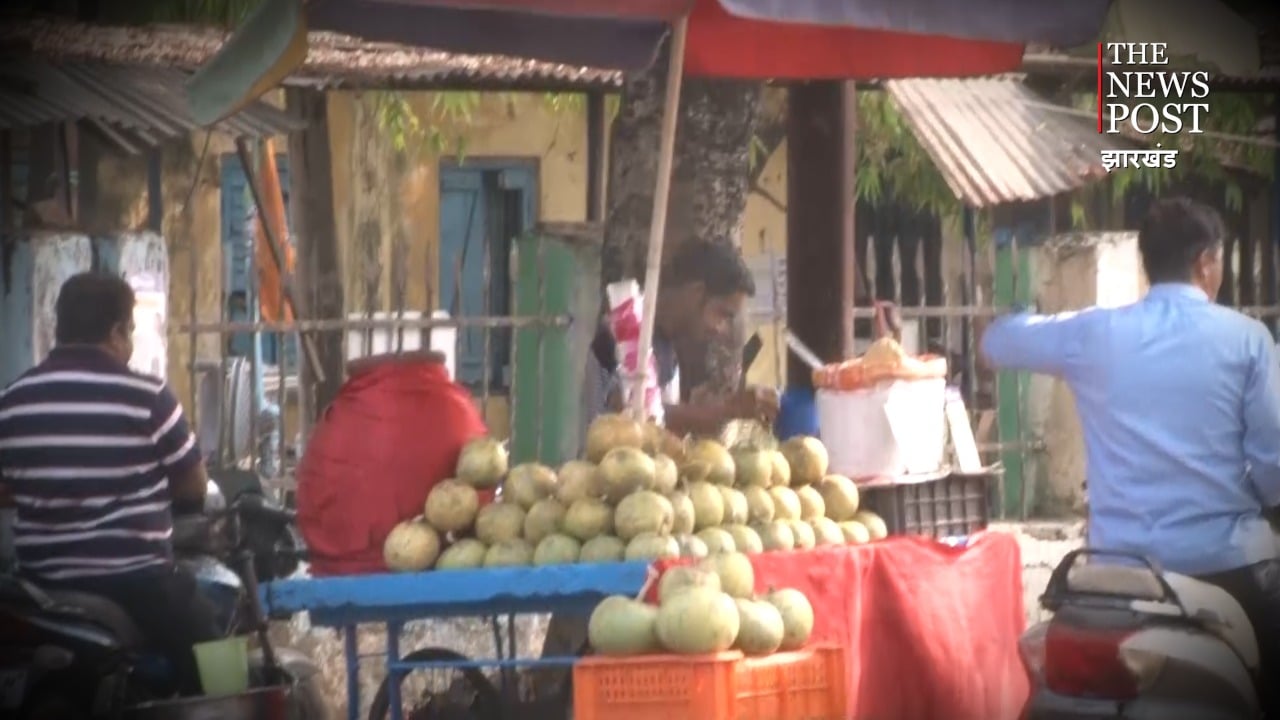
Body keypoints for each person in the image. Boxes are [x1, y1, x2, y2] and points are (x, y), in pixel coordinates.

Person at [980, 197, 1280, 712]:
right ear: (1206, 261)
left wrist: (1029, 311)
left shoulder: (1094, 333)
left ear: (1146, 262)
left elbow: (997, 342)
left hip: (1115, 577)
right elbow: (1273, 464)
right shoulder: (1248, 339)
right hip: (1227, 568)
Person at [0, 272, 219, 698]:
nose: (130, 343)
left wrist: (47, 487)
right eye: (130, 331)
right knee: (210, 646)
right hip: (134, 580)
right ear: (116, 331)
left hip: (40, 583)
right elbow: (194, 484)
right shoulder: (147, 396)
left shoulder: (13, 401)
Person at [586, 239, 780, 437]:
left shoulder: (669, 347)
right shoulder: (625, 328)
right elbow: (635, 413)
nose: (721, 329)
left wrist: (712, 410)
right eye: (722, 314)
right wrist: (728, 410)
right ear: (697, 293)